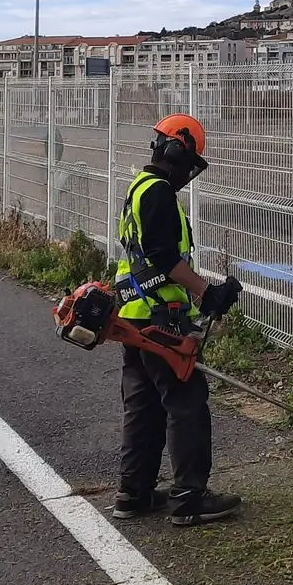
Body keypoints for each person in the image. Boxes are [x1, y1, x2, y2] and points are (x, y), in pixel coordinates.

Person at [112, 112, 244, 526]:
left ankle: (133, 492)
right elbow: (164, 258)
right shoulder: (159, 193)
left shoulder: (139, 187)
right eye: (190, 163)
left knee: (144, 405)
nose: (189, 173)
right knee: (186, 403)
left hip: (134, 314)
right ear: (175, 152)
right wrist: (207, 292)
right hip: (160, 319)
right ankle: (189, 497)